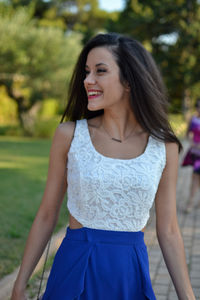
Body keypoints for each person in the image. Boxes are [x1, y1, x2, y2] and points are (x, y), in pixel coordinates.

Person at [11, 33, 196, 300]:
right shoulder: (69, 135)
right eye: (86, 72)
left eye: (100, 71)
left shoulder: (164, 146)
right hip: (74, 269)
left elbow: (168, 230)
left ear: (130, 80)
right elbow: (46, 214)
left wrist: (187, 296)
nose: (87, 81)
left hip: (129, 274)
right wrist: (19, 286)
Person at [182, 98, 200, 213]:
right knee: (195, 178)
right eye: (198, 106)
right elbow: (189, 133)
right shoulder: (193, 119)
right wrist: (192, 142)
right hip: (196, 154)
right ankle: (191, 202)